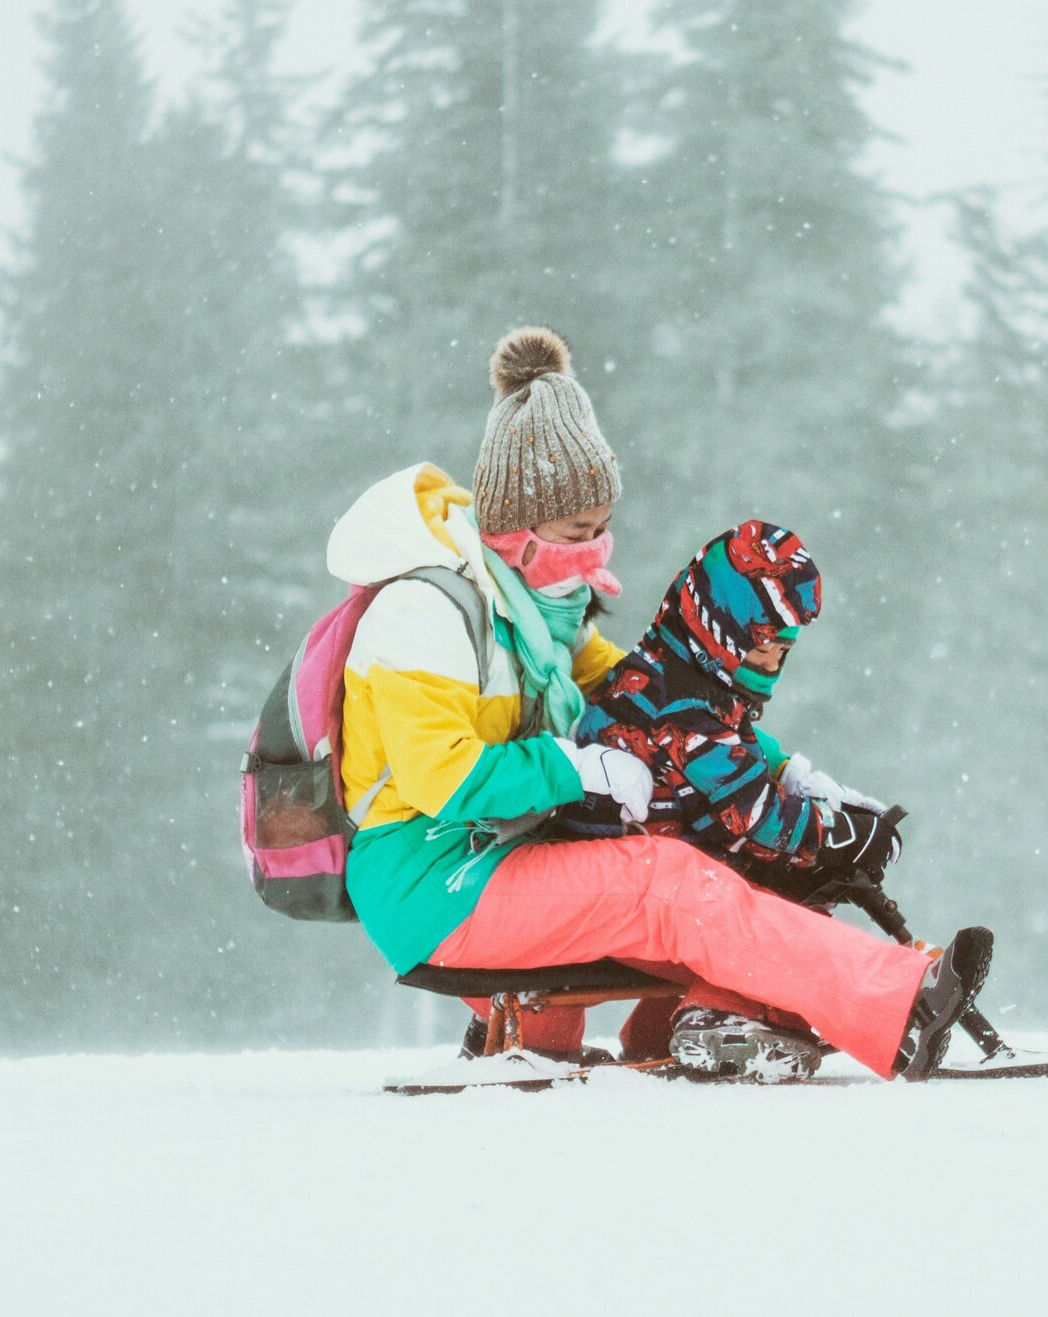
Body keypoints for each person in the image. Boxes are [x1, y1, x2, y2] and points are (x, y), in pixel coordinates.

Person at [326, 326, 990, 1082]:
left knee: (713, 857)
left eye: (602, 530)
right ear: (515, 527)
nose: (593, 551)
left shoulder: (537, 615)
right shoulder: (426, 614)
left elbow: (658, 701)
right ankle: (899, 1007)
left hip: (502, 854)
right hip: (430, 879)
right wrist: (576, 768)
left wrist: (785, 771)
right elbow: (437, 776)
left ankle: (694, 1025)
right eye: (576, 531)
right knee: (664, 882)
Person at [560, 520, 914, 1076]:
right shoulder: (685, 706)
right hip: (645, 889)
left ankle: (659, 1031)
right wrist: (842, 835)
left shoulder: (674, 670)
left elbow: (735, 772)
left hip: (649, 870)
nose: (771, 664)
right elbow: (756, 816)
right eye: (760, 646)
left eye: (783, 649)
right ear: (717, 631)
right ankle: (726, 1015)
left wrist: (807, 794)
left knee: (775, 876)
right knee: (780, 907)